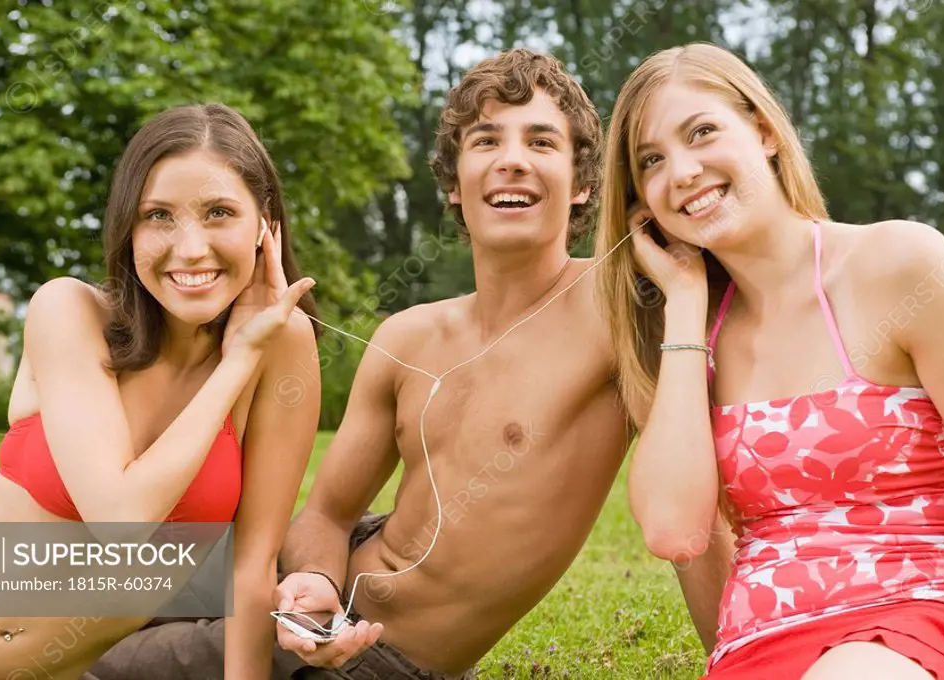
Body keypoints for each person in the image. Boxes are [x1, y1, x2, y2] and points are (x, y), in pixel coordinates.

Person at [88, 48, 732, 680]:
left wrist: (737, 659)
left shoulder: (620, 307)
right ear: (454, 185)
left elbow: (693, 515)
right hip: (296, 595)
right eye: (485, 142)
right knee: (13, 578)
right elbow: (330, 514)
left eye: (540, 142)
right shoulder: (408, 336)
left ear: (585, 182)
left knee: (73, 658)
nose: (511, 161)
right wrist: (312, 582)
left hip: (371, 657)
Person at [596, 41, 944, 679]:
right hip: (760, 644)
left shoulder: (901, 264)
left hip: (919, 610)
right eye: (651, 161)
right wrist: (684, 302)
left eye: (702, 132)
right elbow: (675, 533)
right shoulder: (687, 342)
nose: (682, 172)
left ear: (765, 131)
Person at [0, 103, 321, 680]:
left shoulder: (285, 344)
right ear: (128, 226)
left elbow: (253, 567)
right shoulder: (69, 310)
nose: (190, 247)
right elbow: (120, 519)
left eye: (219, 212)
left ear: (266, 224)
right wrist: (235, 361)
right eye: (159, 215)